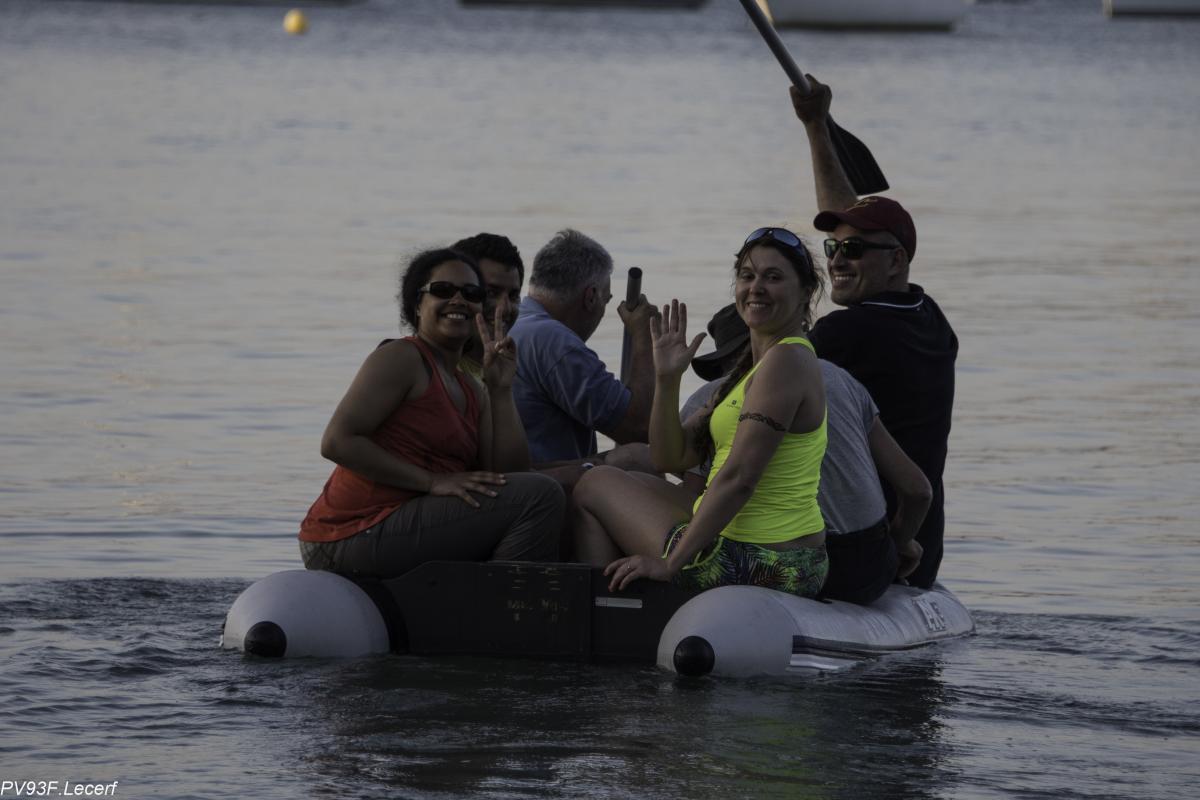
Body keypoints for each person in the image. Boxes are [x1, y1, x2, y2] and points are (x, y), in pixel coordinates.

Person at [571, 229, 828, 596]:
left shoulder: (787, 359)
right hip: (749, 545)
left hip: (769, 561)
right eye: (747, 276)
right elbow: (669, 457)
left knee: (593, 485)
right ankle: (620, 601)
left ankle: (606, 611)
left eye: (773, 277)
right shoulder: (749, 370)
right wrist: (667, 378)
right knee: (625, 477)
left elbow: (739, 477)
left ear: (805, 292)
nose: (756, 288)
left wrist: (670, 564)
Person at [297, 248, 564, 578]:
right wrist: (432, 481)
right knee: (541, 496)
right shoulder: (401, 358)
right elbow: (337, 442)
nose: (458, 300)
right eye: (442, 290)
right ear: (416, 304)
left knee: (538, 491)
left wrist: (501, 390)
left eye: (471, 293)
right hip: (350, 531)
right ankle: (502, 603)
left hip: (406, 521)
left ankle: (490, 596)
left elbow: (509, 476)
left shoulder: (472, 388)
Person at [792, 77, 958, 590]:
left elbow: (765, 384)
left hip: (874, 542)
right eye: (833, 249)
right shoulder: (928, 315)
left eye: (854, 251)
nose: (838, 260)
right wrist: (816, 127)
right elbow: (852, 219)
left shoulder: (847, 333)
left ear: (897, 260)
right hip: (924, 544)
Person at [686, 304, 932, 603]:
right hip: (868, 562)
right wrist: (898, 544)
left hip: (788, 560)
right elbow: (918, 490)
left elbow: (694, 497)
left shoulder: (713, 398)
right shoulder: (840, 379)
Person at [508, 229, 659, 465]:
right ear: (591, 297)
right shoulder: (553, 341)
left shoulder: (513, 320)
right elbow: (640, 428)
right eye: (606, 300)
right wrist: (643, 336)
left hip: (523, 472)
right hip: (541, 479)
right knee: (640, 459)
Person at [450, 233, 525, 381]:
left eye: (513, 296)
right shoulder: (426, 369)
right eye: (491, 293)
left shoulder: (507, 368)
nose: (505, 309)